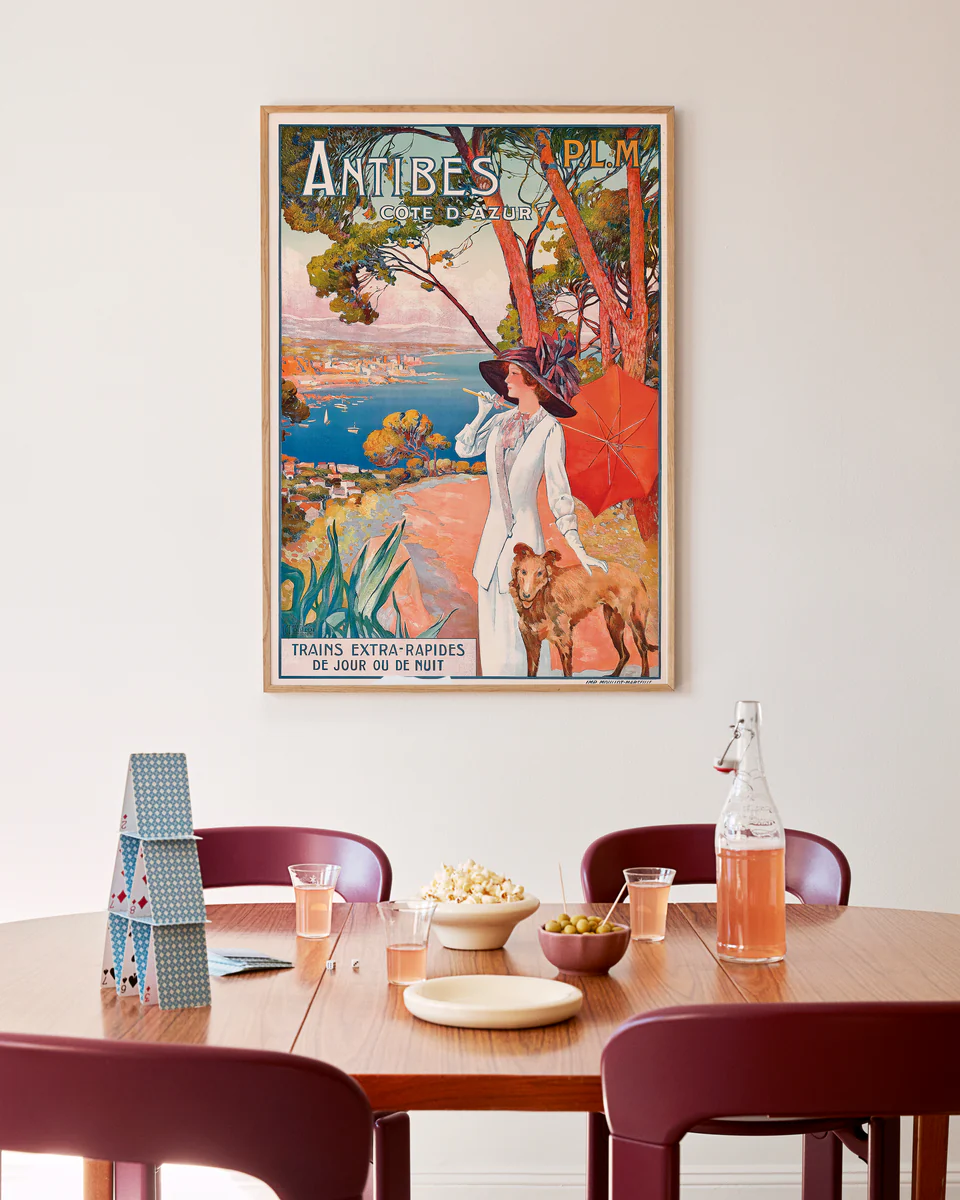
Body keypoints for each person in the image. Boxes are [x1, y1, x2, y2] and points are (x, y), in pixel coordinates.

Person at [455, 334, 606, 677]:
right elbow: (464, 449)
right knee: (494, 619)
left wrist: (579, 550)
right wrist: (480, 415)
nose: (505, 380)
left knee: (530, 623)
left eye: (512, 374)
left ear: (532, 384)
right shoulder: (498, 422)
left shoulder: (551, 430)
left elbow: (559, 494)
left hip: (527, 545)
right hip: (492, 540)